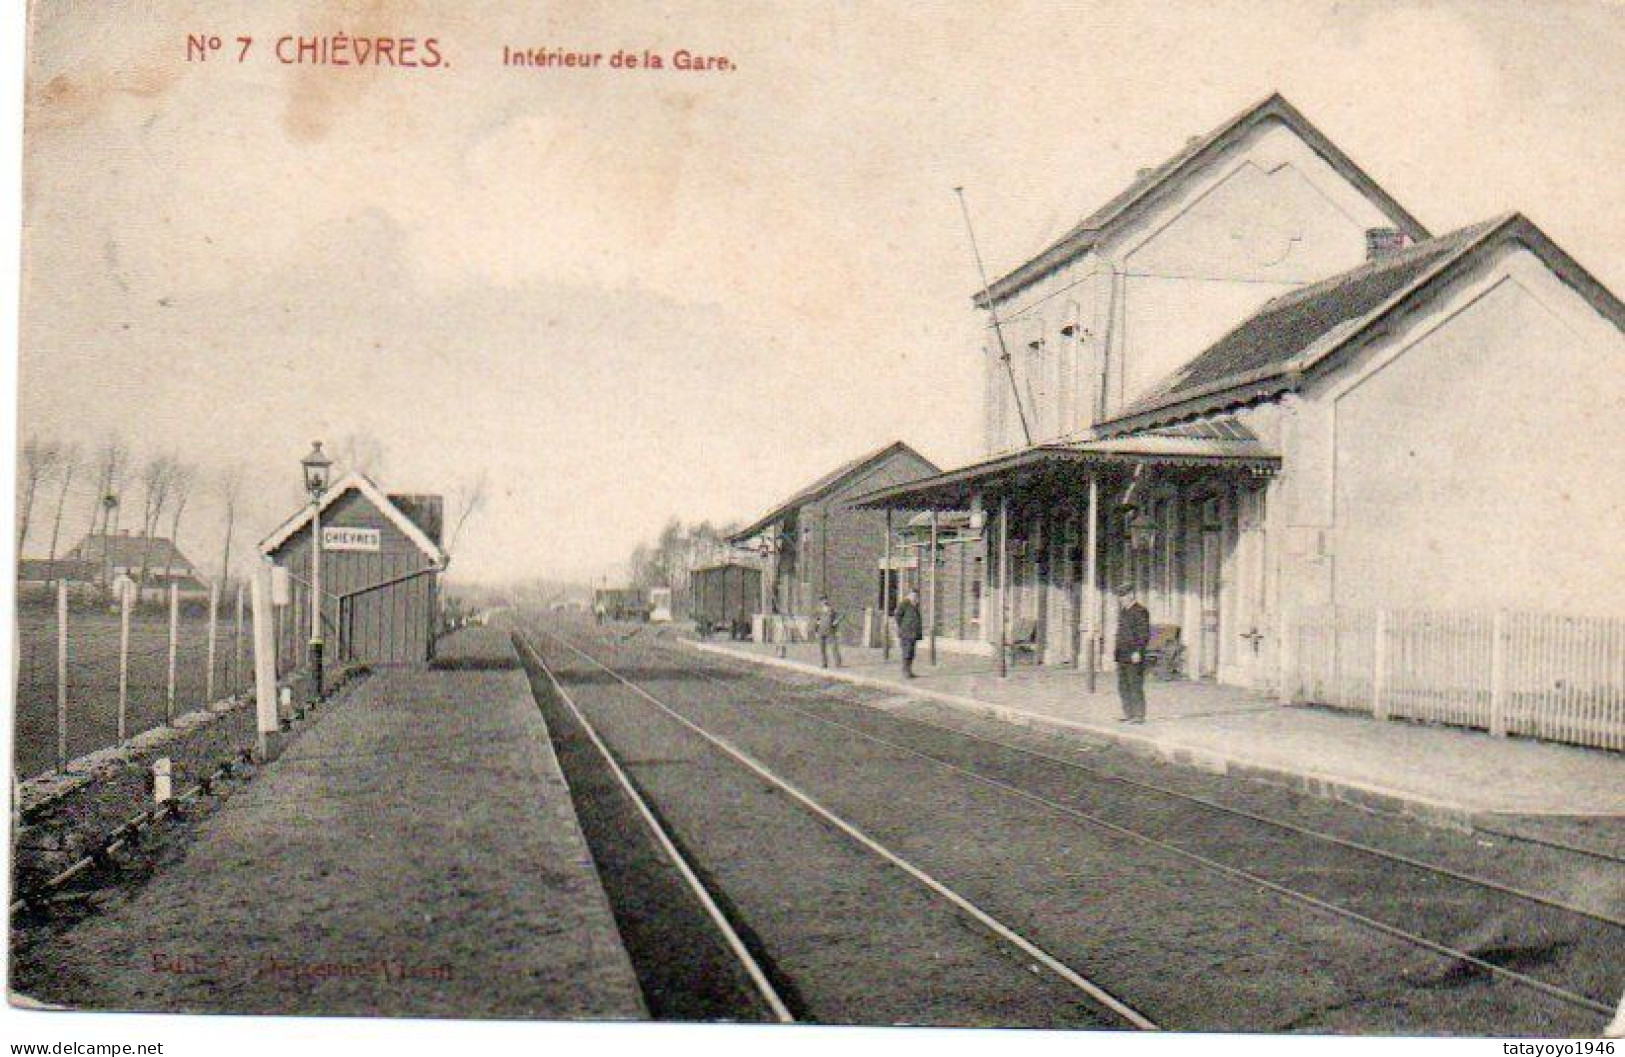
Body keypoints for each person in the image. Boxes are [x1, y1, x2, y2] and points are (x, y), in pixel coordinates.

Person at [1114, 583, 1151, 723]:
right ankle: (1128, 713)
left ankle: (1139, 715)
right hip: (1122, 654)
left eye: (1123, 595)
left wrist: (1138, 651)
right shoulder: (1124, 611)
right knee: (1123, 685)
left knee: (1135, 684)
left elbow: (1143, 634)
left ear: (1131, 594)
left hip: (1133, 654)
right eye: (1120, 596)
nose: (1121, 599)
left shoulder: (1140, 611)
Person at [894, 588, 924, 678]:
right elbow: (897, 615)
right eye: (913, 595)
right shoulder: (904, 603)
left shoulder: (915, 605)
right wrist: (903, 626)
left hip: (913, 633)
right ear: (909, 595)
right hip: (906, 633)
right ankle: (905, 671)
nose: (915, 597)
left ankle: (909, 671)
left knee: (911, 652)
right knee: (906, 652)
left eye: (916, 596)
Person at [813, 596, 843, 668]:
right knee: (822, 648)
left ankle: (838, 663)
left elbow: (841, 616)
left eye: (825, 600)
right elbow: (817, 621)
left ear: (827, 600)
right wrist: (816, 631)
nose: (824, 602)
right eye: (822, 600)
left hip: (830, 630)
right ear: (820, 602)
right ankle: (824, 663)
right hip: (821, 631)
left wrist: (835, 623)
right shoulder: (819, 610)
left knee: (834, 647)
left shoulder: (832, 609)